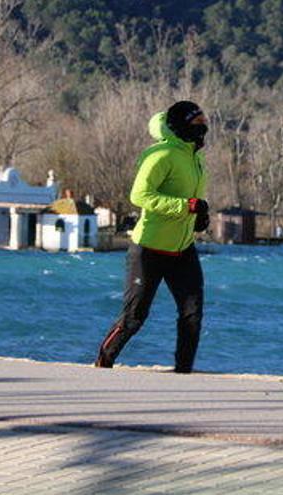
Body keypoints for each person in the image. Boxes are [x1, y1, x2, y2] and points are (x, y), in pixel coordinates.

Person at [95, 100, 210, 373]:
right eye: (196, 121)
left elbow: (193, 198)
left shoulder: (196, 158)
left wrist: (200, 214)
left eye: (204, 121)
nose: (203, 126)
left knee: (192, 313)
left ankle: (184, 371)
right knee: (135, 317)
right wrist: (185, 206)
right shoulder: (160, 154)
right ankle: (103, 361)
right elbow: (140, 196)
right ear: (181, 125)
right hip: (148, 248)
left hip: (183, 248)